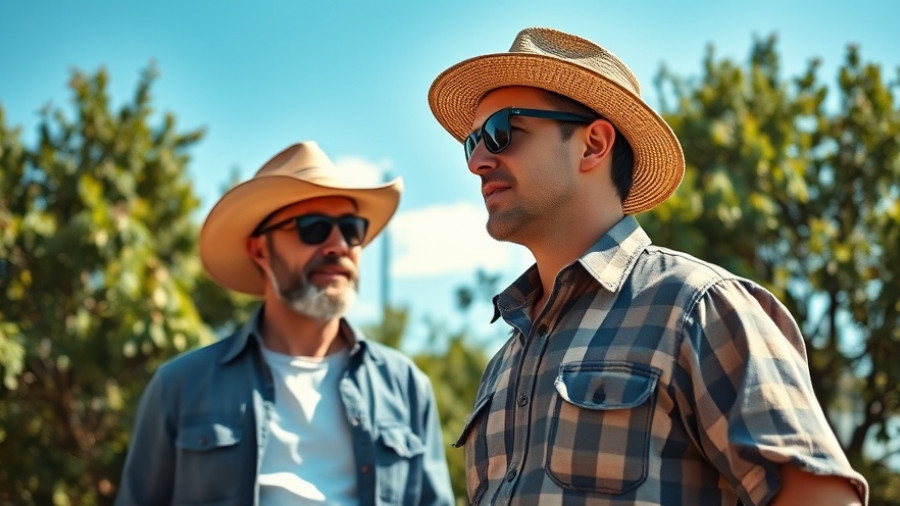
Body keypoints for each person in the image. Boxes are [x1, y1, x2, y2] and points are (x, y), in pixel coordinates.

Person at [428, 27, 868, 505]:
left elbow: (822, 498)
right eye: (472, 143)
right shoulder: (502, 366)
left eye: (500, 132)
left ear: (593, 144)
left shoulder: (699, 307)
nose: (478, 161)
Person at [116, 141, 454, 505]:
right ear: (260, 250)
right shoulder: (181, 386)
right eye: (314, 228)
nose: (338, 244)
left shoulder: (405, 386)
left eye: (352, 229)